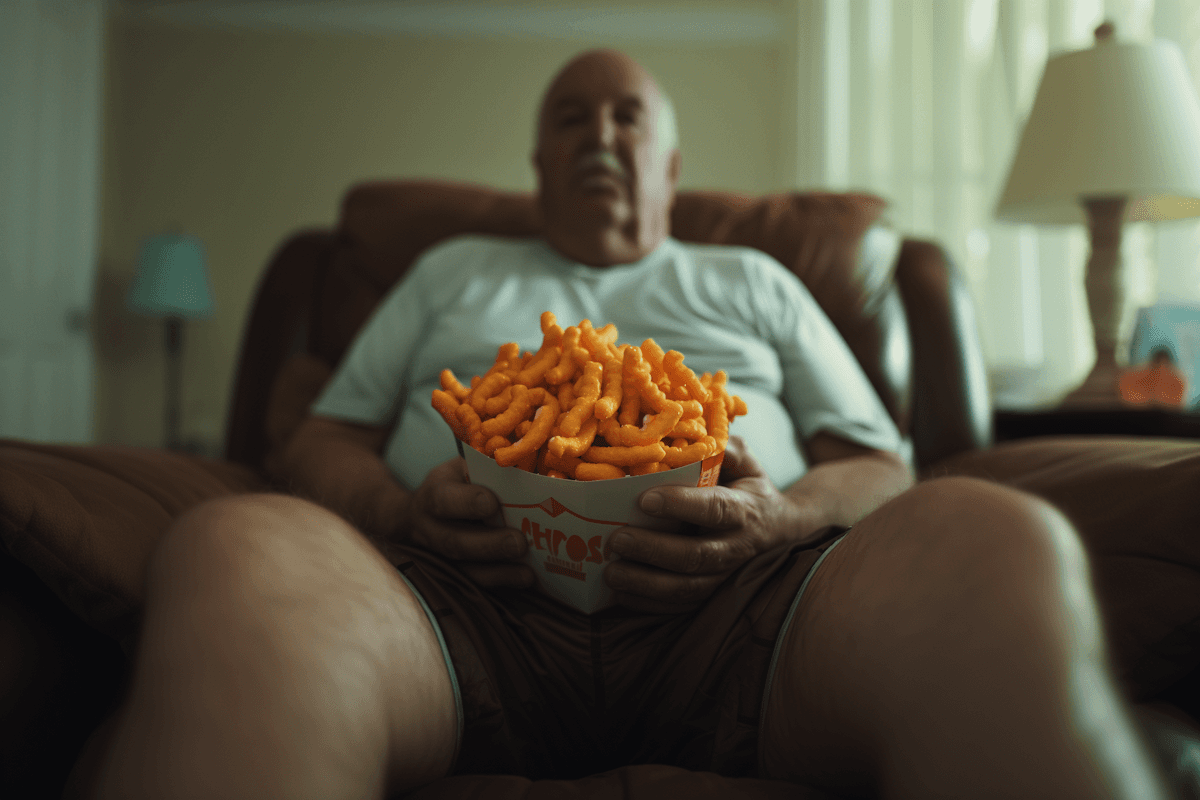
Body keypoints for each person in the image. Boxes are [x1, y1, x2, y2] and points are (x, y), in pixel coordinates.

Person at [91, 50, 1172, 800]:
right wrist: (396, 503)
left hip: (754, 614)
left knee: (995, 537)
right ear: (537, 165)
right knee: (236, 544)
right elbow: (324, 436)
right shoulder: (450, 271)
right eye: (571, 117)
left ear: (670, 167)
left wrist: (780, 514)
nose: (599, 132)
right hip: (447, 609)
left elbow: (879, 460)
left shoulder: (753, 278)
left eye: (627, 117)